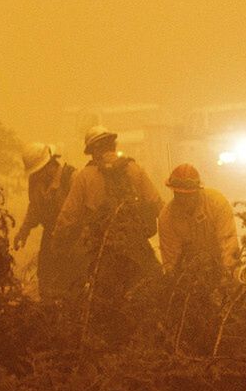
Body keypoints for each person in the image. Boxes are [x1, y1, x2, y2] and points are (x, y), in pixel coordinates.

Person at [53, 126, 163, 302]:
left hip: (101, 250)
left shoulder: (85, 176)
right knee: (151, 293)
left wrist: (57, 242)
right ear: (113, 145)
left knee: (103, 302)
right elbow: (157, 204)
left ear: (93, 151)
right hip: (137, 247)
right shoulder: (134, 169)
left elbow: (68, 216)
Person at [14, 142, 80, 299]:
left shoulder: (71, 177)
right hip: (50, 234)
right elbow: (34, 208)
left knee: (72, 280)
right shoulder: (35, 182)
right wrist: (24, 231)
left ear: (50, 163)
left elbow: (82, 211)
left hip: (73, 237)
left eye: (39, 171)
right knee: (45, 277)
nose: (36, 175)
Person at [158, 163, 239, 280]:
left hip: (221, 266)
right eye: (179, 194)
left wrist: (228, 279)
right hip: (190, 275)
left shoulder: (216, 203)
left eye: (189, 195)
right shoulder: (167, 217)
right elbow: (171, 261)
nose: (184, 199)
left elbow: (228, 243)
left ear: (197, 191)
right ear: (173, 192)